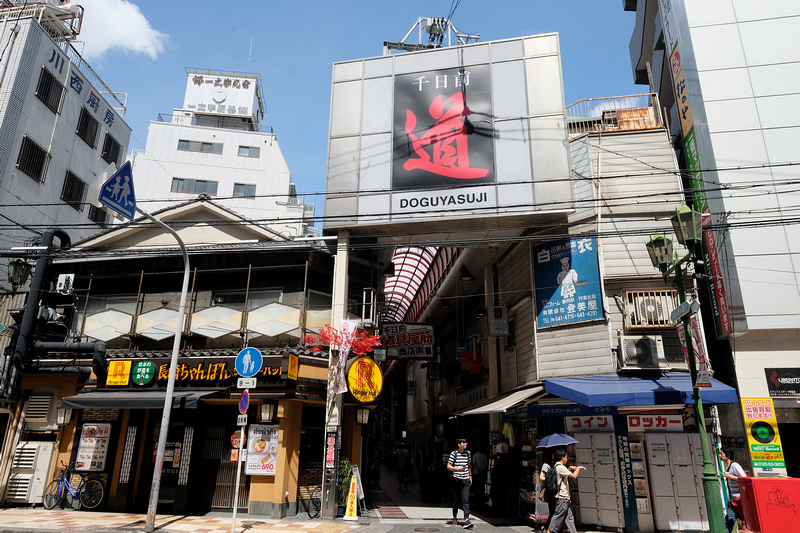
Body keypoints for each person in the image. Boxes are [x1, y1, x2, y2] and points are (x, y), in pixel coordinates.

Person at [548, 448, 585, 533]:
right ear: (562, 458)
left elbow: (563, 476)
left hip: (564, 498)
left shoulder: (557, 466)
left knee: (569, 518)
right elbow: (574, 476)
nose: (567, 459)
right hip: (562, 497)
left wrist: (569, 468)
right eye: (566, 457)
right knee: (558, 516)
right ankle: (549, 531)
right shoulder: (560, 467)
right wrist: (578, 469)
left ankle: (573, 531)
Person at [448, 438, 473, 529]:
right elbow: (449, 466)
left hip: (465, 479)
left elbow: (469, 465)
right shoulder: (453, 454)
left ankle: (466, 519)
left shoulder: (468, 453)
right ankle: (455, 516)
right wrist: (457, 469)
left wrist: (470, 476)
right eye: (463, 443)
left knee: (465, 499)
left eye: (466, 443)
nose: (465, 444)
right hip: (456, 479)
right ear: (459, 444)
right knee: (456, 499)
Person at [720, 448, 746, 533]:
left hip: (739, 500)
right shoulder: (727, 467)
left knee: (745, 521)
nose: (720, 455)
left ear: (728, 456)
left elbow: (744, 480)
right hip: (732, 501)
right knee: (728, 522)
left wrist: (731, 476)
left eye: (721, 454)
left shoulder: (735, 466)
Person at [539, 451, 556, 533]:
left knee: (554, 510)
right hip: (549, 490)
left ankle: (547, 527)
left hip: (553, 490)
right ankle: (546, 527)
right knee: (553, 510)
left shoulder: (553, 465)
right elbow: (541, 477)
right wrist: (551, 480)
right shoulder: (546, 465)